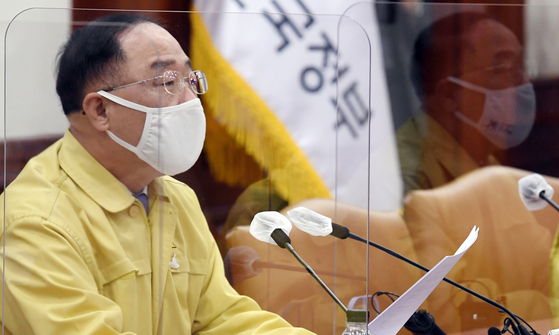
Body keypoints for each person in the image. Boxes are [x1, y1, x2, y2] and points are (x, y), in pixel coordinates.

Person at [0, 14, 315, 335]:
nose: (192, 101)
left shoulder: (176, 198)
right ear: (100, 110)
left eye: (192, 80)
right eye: (168, 82)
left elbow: (223, 319)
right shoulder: (35, 222)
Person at [397, 12, 536, 195]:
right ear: (449, 95)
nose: (524, 83)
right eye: (505, 69)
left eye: (521, 66)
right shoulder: (408, 175)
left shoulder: (484, 159)